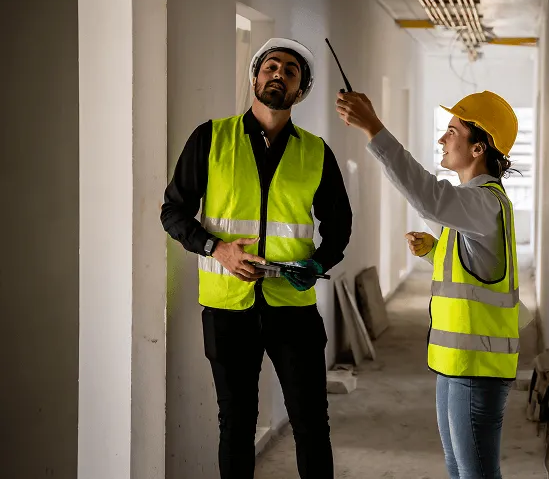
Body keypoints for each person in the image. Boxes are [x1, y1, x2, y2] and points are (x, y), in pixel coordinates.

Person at [161, 38, 351, 479]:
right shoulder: (211, 138)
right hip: (229, 308)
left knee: (310, 424)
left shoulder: (316, 152)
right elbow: (173, 211)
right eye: (271, 66)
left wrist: (319, 264)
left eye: (290, 71)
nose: (278, 75)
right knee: (237, 424)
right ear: (255, 77)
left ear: (299, 91)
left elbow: (338, 225)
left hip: (294, 311)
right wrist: (216, 248)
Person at [336, 89, 521, 479]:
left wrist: (374, 128)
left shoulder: (483, 203)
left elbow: (427, 197)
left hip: (476, 367)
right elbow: (478, 271)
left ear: (478, 148)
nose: (442, 139)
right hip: (455, 364)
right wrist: (435, 252)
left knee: (476, 474)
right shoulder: (473, 205)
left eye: (452, 131)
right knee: (458, 468)